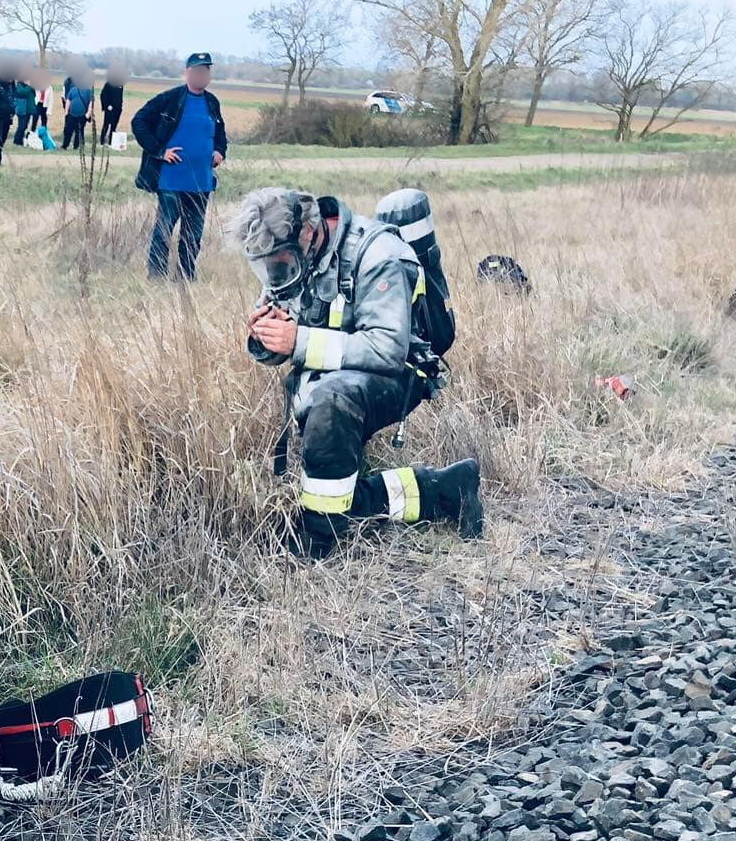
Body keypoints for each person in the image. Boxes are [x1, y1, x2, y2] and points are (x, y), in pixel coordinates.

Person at [229, 187, 484, 558]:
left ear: (308, 234)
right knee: (331, 472)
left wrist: (297, 340)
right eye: (265, 264)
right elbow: (284, 337)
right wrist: (264, 339)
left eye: (278, 261)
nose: (273, 273)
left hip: (402, 374)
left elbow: (387, 349)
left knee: (330, 402)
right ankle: (444, 491)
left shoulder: (377, 253)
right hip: (336, 379)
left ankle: (317, 538)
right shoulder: (290, 259)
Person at [132, 52, 228, 281]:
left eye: (206, 71)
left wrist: (219, 151)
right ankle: (156, 277)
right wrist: (159, 151)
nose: (202, 75)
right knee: (164, 231)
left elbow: (220, 134)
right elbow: (139, 121)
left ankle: (185, 277)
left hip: (201, 182)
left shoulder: (212, 102)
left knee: (193, 235)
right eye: (197, 70)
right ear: (187, 72)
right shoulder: (170, 99)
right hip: (171, 181)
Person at [61, 73, 95, 150]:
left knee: (79, 131)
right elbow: (68, 101)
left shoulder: (88, 91)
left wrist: (87, 115)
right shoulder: (73, 90)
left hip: (82, 115)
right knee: (68, 131)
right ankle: (65, 145)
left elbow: (91, 103)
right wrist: (66, 113)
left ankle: (77, 146)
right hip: (71, 115)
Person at [99, 65, 126, 144]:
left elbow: (120, 97)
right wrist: (107, 105)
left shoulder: (120, 85)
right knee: (106, 125)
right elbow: (103, 95)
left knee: (114, 126)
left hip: (118, 109)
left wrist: (121, 105)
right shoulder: (108, 84)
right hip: (110, 108)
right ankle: (102, 141)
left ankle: (111, 142)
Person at [12, 70, 38, 146]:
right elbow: (22, 92)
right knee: (21, 125)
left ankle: (21, 140)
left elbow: (34, 95)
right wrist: (29, 86)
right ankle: (16, 140)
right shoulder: (19, 85)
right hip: (22, 109)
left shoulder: (30, 87)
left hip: (29, 109)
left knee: (25, 126)